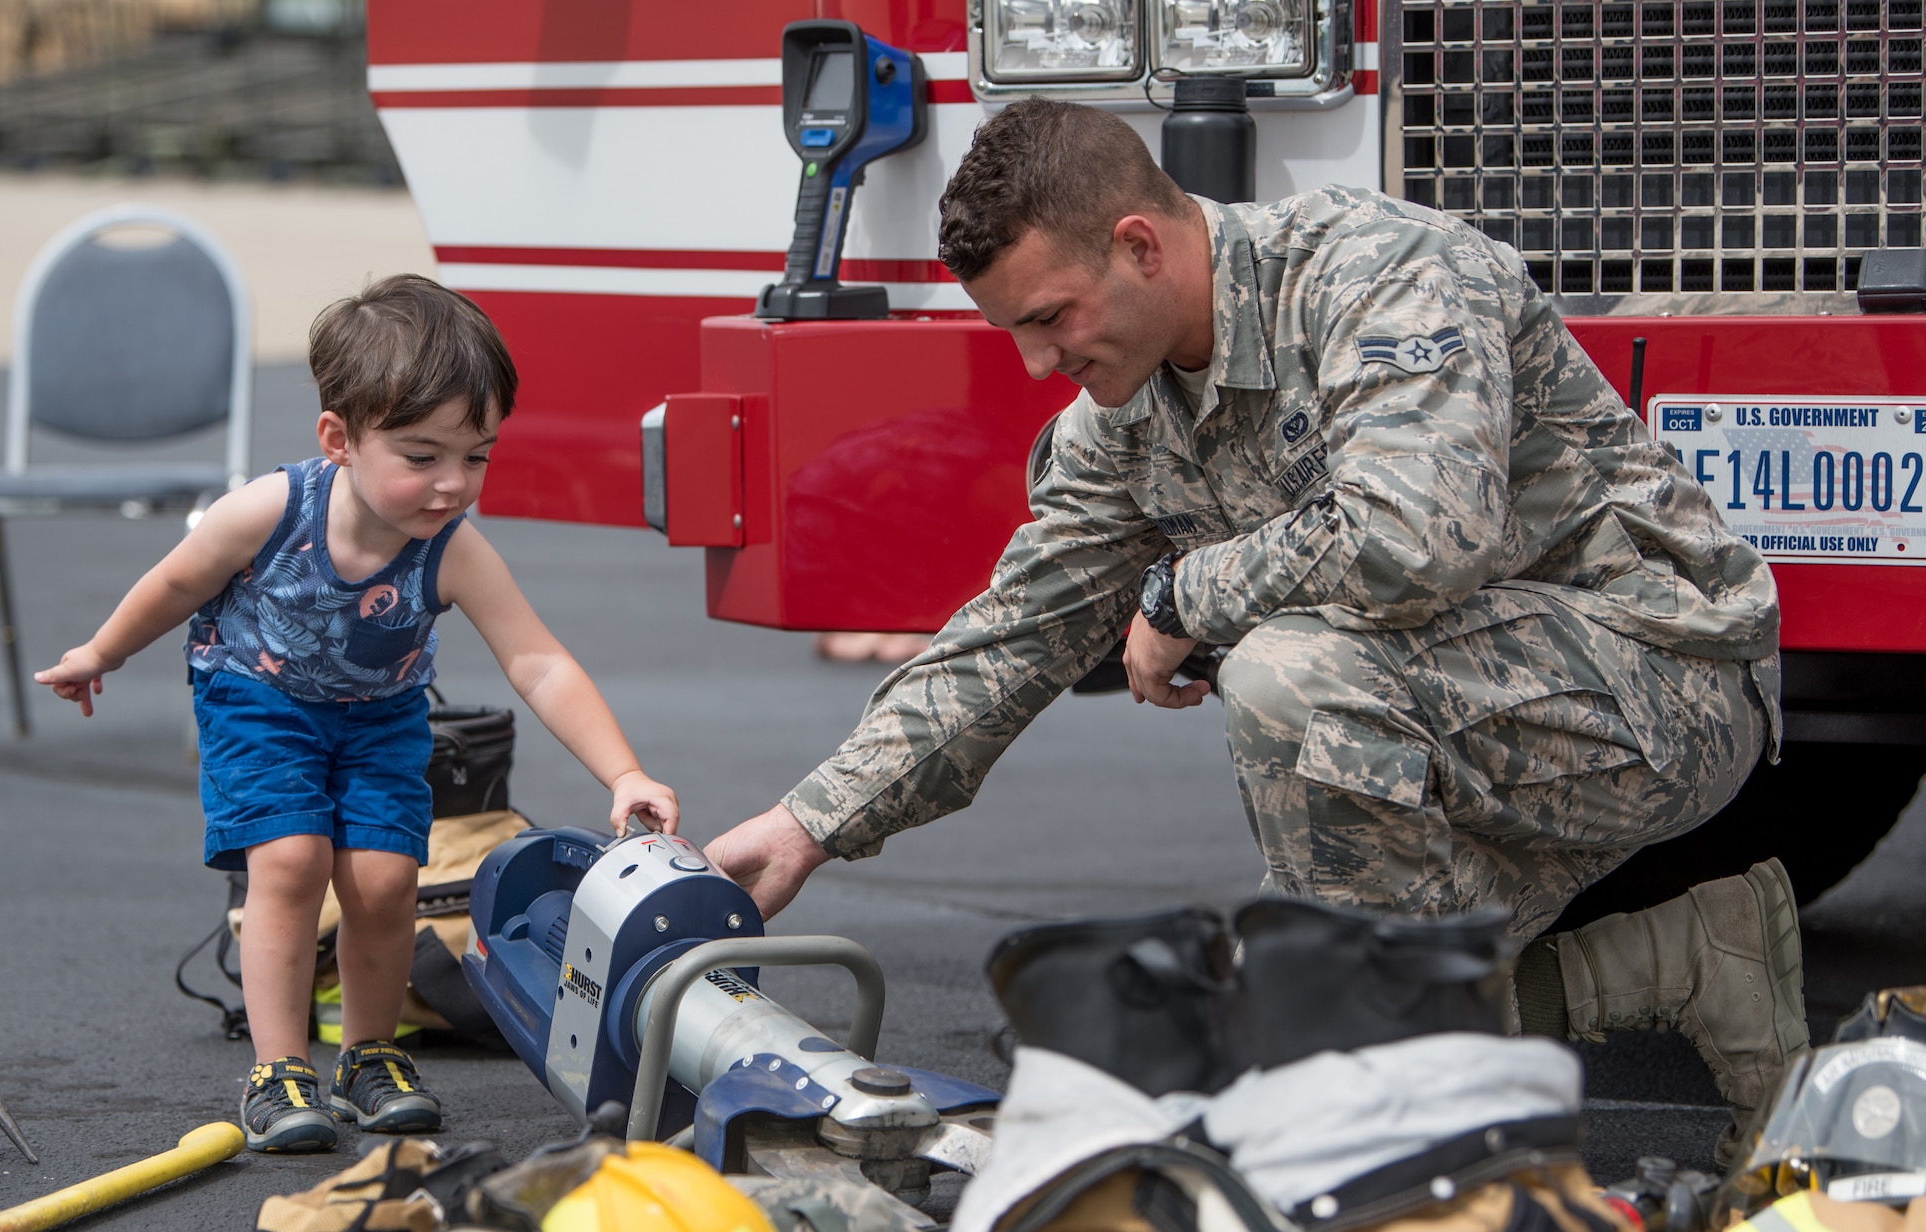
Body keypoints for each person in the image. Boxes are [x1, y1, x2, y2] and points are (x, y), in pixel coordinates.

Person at [706, 100, 1804, 1162]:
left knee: (1290, 678)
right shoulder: (1121, 417)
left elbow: (1416, 532)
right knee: (1269, 1015)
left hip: (1663, 680)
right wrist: (809, 822)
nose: (1037, 365)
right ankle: (1686, 963)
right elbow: (1011, 635)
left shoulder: (1372, 272)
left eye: (1048, 320)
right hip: (1478, 709)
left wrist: (1183, 595)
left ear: (1137, 244)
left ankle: (1397, 1152)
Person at [35, 275, 679, 1153]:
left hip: (380, 719)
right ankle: (277, 1069)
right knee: (293, 861)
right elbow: (179, 580)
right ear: (339, 439)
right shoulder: (272, 510)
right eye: (422, 456)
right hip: (257, 701)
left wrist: (624, 769)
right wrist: (99, 653)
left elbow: (538, 660)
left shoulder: (453, 552)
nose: (453, 483)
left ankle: (370, 1056)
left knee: (381, 879)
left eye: (477, 456)